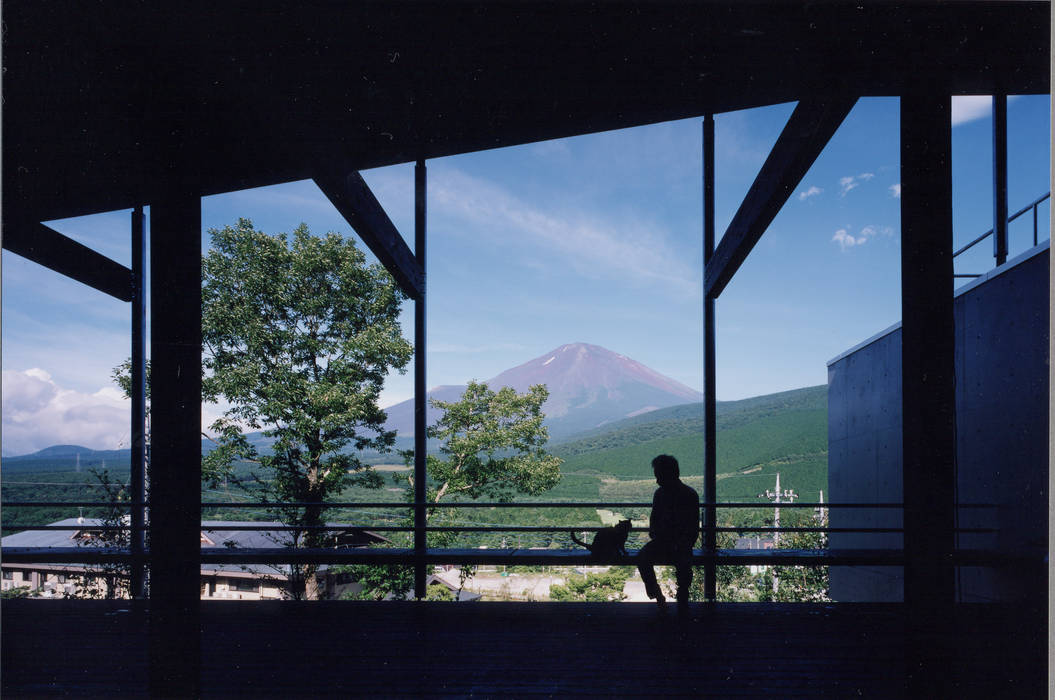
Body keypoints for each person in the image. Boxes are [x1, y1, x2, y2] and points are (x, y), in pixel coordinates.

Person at [637, 454, 699, 612]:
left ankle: (660, 598)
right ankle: (681, 598)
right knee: (682, 564)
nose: (657, 480)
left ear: (669, 474)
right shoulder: (689, 494)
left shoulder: (663, 494)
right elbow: (692, 528)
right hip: (674, 543)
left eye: (659, 476)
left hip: (675, 543)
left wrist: (661, 538)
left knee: (644, 557)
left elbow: (655, 521)